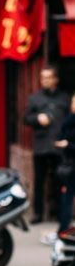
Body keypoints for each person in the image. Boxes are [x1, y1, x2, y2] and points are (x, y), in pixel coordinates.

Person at [24, 66, 70, 224]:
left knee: (59, 180)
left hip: (58, 146)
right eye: (43, 78)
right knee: (39, 181)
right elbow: (26, 118)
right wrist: (37, 118)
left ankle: (58, 213)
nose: (45, 81)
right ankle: (38, 213)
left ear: (55, 79)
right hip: (41, 145)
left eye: (48, 77)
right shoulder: (35, 98)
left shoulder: (65, 98)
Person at [55, 93, 75, 234]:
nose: (73, 105)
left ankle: (63, 229)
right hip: (69, 165)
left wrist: (68, 145)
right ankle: (63, 229)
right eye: (73, 102)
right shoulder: (68, 121)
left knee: (67, 198)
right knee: (66, 197)